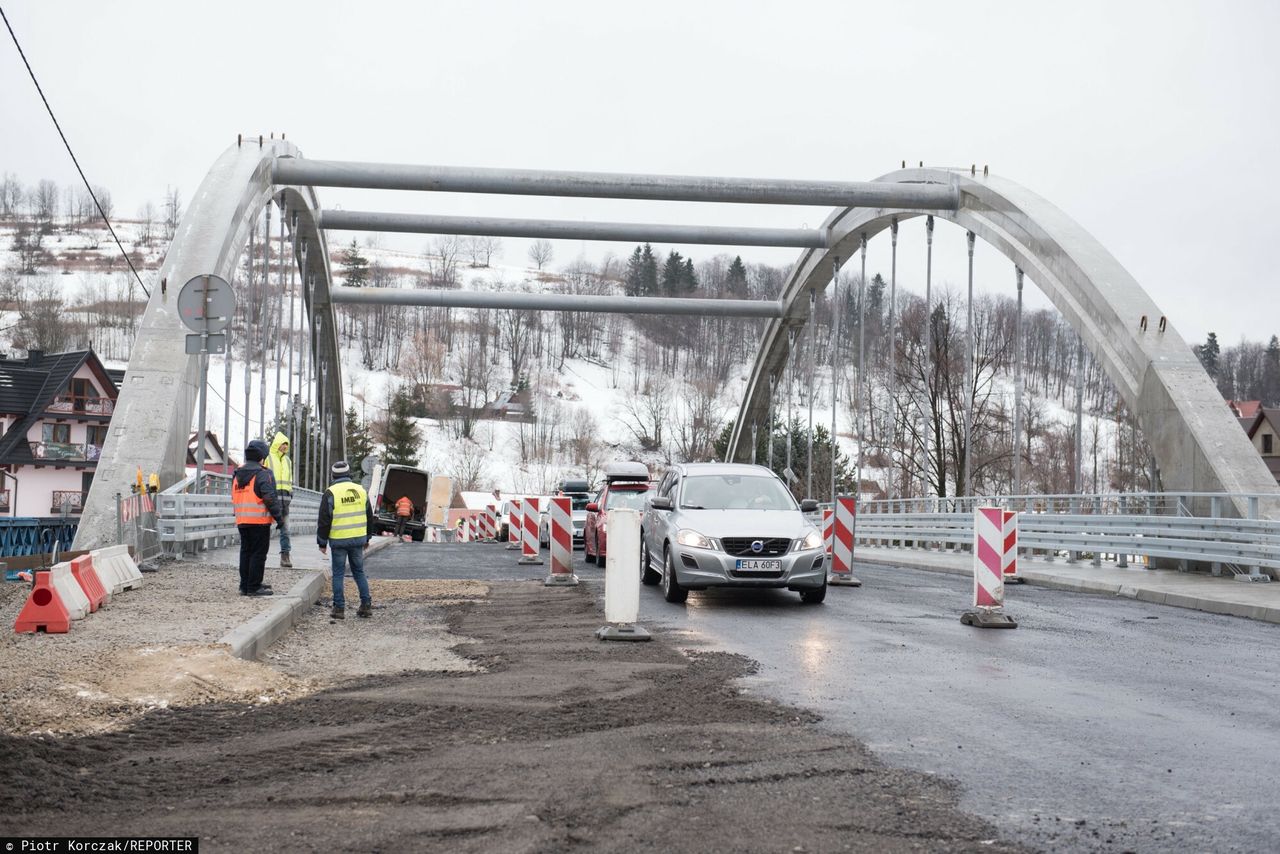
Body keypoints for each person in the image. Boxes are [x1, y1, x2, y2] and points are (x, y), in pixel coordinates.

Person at [317, 460, 375, 620]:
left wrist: (322, 542)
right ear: (349, 474)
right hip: (357, 539)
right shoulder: (361, 491)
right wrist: (367, 538)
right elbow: (369, 517)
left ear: (333, 475)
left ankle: (339, 608)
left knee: (338, 573)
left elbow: (323, 520)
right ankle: (366, 605)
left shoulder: (330, 493)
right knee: (359, 572)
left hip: (339, 540)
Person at [233, 439, 283, 597]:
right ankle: (254, 587)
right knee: (258, 554)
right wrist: (279, 518)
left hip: (242, 520)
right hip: (259, 521)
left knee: (246, 552)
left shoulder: (237, 474)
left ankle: (245, 585)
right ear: (262, 457)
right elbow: (269, 498)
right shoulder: (263, 473)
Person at [265, 432, 294, 567]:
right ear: (277, 444)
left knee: (285, 529)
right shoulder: (268, 458)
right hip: (270, 500)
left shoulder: (288, 461)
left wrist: (290, 493)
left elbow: (289, 480)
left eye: (286, 445)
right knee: (264, 529)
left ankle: (285, 556)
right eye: (283, 444)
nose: (284, 447)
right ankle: (260, 556)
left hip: (285, 501)